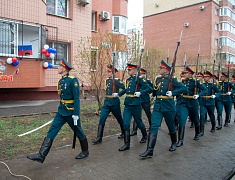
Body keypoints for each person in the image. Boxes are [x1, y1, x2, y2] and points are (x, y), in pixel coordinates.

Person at [27, 59, 89, 163]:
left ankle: (85, 151)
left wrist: (76, 114)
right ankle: (41, 155)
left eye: (60, 66)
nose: (58, 68)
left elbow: (76, 98)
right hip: (61, 112)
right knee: (52, 130)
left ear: (64, 68)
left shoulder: (72, 80)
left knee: (78, 131)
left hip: (71, 112)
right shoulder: (61, 81)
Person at [140, 60, 187, 158]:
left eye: (161, 68)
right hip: (158, 106)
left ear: (166, 70)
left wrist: (173, 93)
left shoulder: (172, 79)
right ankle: (150, 150)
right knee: (154, 125)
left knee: (171, 126)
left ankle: (174, 142)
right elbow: (155, 89)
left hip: (168, 106)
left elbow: (184, 89)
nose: (159, 69)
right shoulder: (158, 79)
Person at [115, 63, 153, 151]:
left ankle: (144, 135)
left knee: (138, 122)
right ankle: (126, 144)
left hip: (136, 104)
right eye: (128, 70)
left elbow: (149, 89)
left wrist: (141, 92)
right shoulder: (128, 80)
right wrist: (118, 94)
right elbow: (126, 89)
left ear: (135, 70)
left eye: (130, 70)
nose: (128, 71)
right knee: (126, 123)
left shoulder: (140, 79)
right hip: (128, 104)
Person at [92, 65, 125, 144]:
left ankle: (124, 132)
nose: (108, 73)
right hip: (107, 103)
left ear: (113, 72)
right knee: (102, 119)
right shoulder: (107, 80)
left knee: (119, 119)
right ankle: (99, 138)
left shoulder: (117, 80)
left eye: (109, 72)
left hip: (114, 103)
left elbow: (124, 88)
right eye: (108, 71)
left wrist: (118, 94)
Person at [176, 66, 207, 146]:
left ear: (190, 74)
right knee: (182, 120)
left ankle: (197, 133)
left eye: (186, 73)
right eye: (185, 73)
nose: (185, 74)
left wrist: (198, 95)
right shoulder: (182, 82)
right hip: (184, 102)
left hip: (193, 102)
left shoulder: (195, 82)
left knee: (195, 119)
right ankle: (180, 140)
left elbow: (205, 90)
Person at [130, 68, 153, 136]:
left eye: (143, 74)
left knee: (148, 114)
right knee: (137, 115)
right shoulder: (137, 80)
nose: (142, 75)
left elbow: (151, 90)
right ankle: (134, 130)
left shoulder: (147, 81)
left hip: (145, 100)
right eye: (141, 74)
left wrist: (144, 92)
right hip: (139, 100)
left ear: (145, 74)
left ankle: (151, 127)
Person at [198, 71, 221, 136]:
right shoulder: (201, 84)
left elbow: (219, 92)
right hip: (203, 102)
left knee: (211, 115)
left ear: (210, 77)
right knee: (202, 116)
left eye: (207, 77)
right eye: (204, 77)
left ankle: (213, 126)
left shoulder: (213, 85)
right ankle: (201, 131)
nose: (205, 78)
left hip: (210, 102)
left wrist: (215, 96)